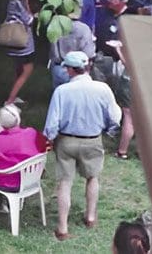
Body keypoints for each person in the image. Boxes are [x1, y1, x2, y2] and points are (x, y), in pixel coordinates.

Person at [43, 51, 122, 240]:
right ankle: (90, 217)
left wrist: (50, 138)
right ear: (87, 67)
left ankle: (62, 228)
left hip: (66, 141)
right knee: (93, 178)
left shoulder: (62, 91)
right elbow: (115, 116)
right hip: (92, 140)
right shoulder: (102, 89)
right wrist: (110, 130)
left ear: (70, 69)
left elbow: (52, 123)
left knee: (65, 183)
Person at [0, 104, 47, 210]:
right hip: (31, 180)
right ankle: (14, 202)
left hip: (6, 183)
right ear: (18, 119)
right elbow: (44, 147)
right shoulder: (32, 133)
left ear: (0, 123)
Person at [95, 0, 134, 159]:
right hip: (103, 57)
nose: (108, 0)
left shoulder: (130, 19)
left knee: (122, 103)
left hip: (120, 64)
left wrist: (118, 50)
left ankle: (116, 128)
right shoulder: (105, 13)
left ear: (121, 1)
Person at [49, 0, 96, 88]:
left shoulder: (56, 25)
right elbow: (89, 53)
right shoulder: (84, 29)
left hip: (59, 68)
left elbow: (54, 51)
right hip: (78, 71)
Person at [4, 0, 35, 104]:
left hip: (14, 42)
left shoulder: (10, 2)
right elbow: (29, 19)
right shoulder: (18, 3)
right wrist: (28, 6)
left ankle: (14, 96)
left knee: (19, 69)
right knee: (27, 70)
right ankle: (10, 99)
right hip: (23, 44)